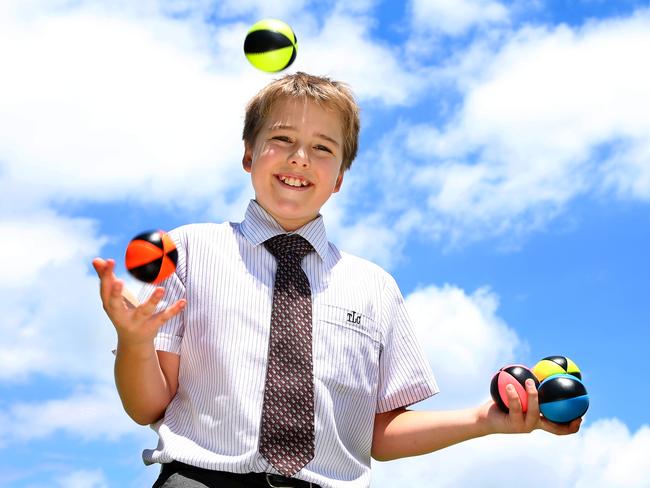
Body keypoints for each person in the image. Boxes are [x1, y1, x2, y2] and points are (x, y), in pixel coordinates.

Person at [93, 72, 581, 488]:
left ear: (341, 176)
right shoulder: (188, 252)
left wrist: (483, 420)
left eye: (322, 148)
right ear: (248, 155)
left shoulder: (374, 288)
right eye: (281, 139)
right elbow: (146, 406)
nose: (300, 157)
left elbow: (378, 434)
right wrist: (134, 340)